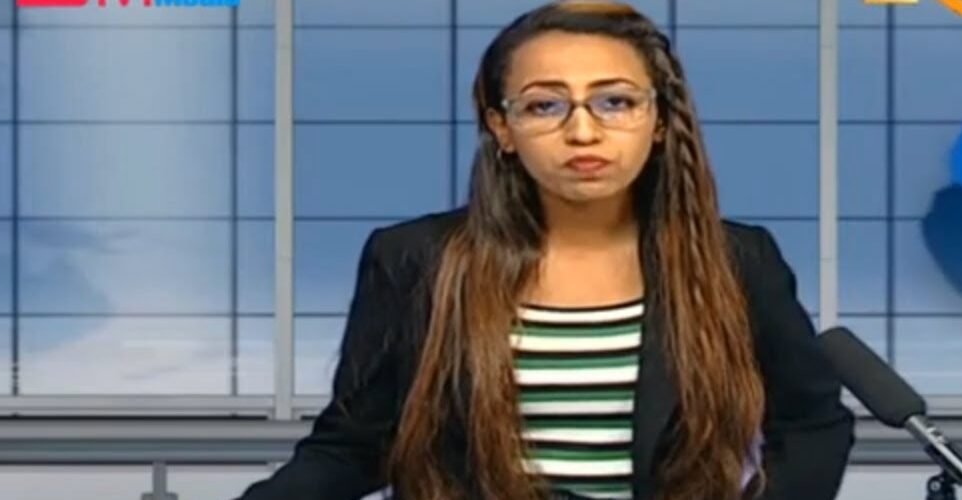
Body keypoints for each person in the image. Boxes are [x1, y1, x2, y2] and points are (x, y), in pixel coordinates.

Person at [236, 1, 854, 499]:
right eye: (544, 106)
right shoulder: (415, 259)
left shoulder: (737, 260)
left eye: (616, 102)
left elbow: (813, 426)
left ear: (660, 121)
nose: (582, 131)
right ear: (502, 128)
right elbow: (353, 446)